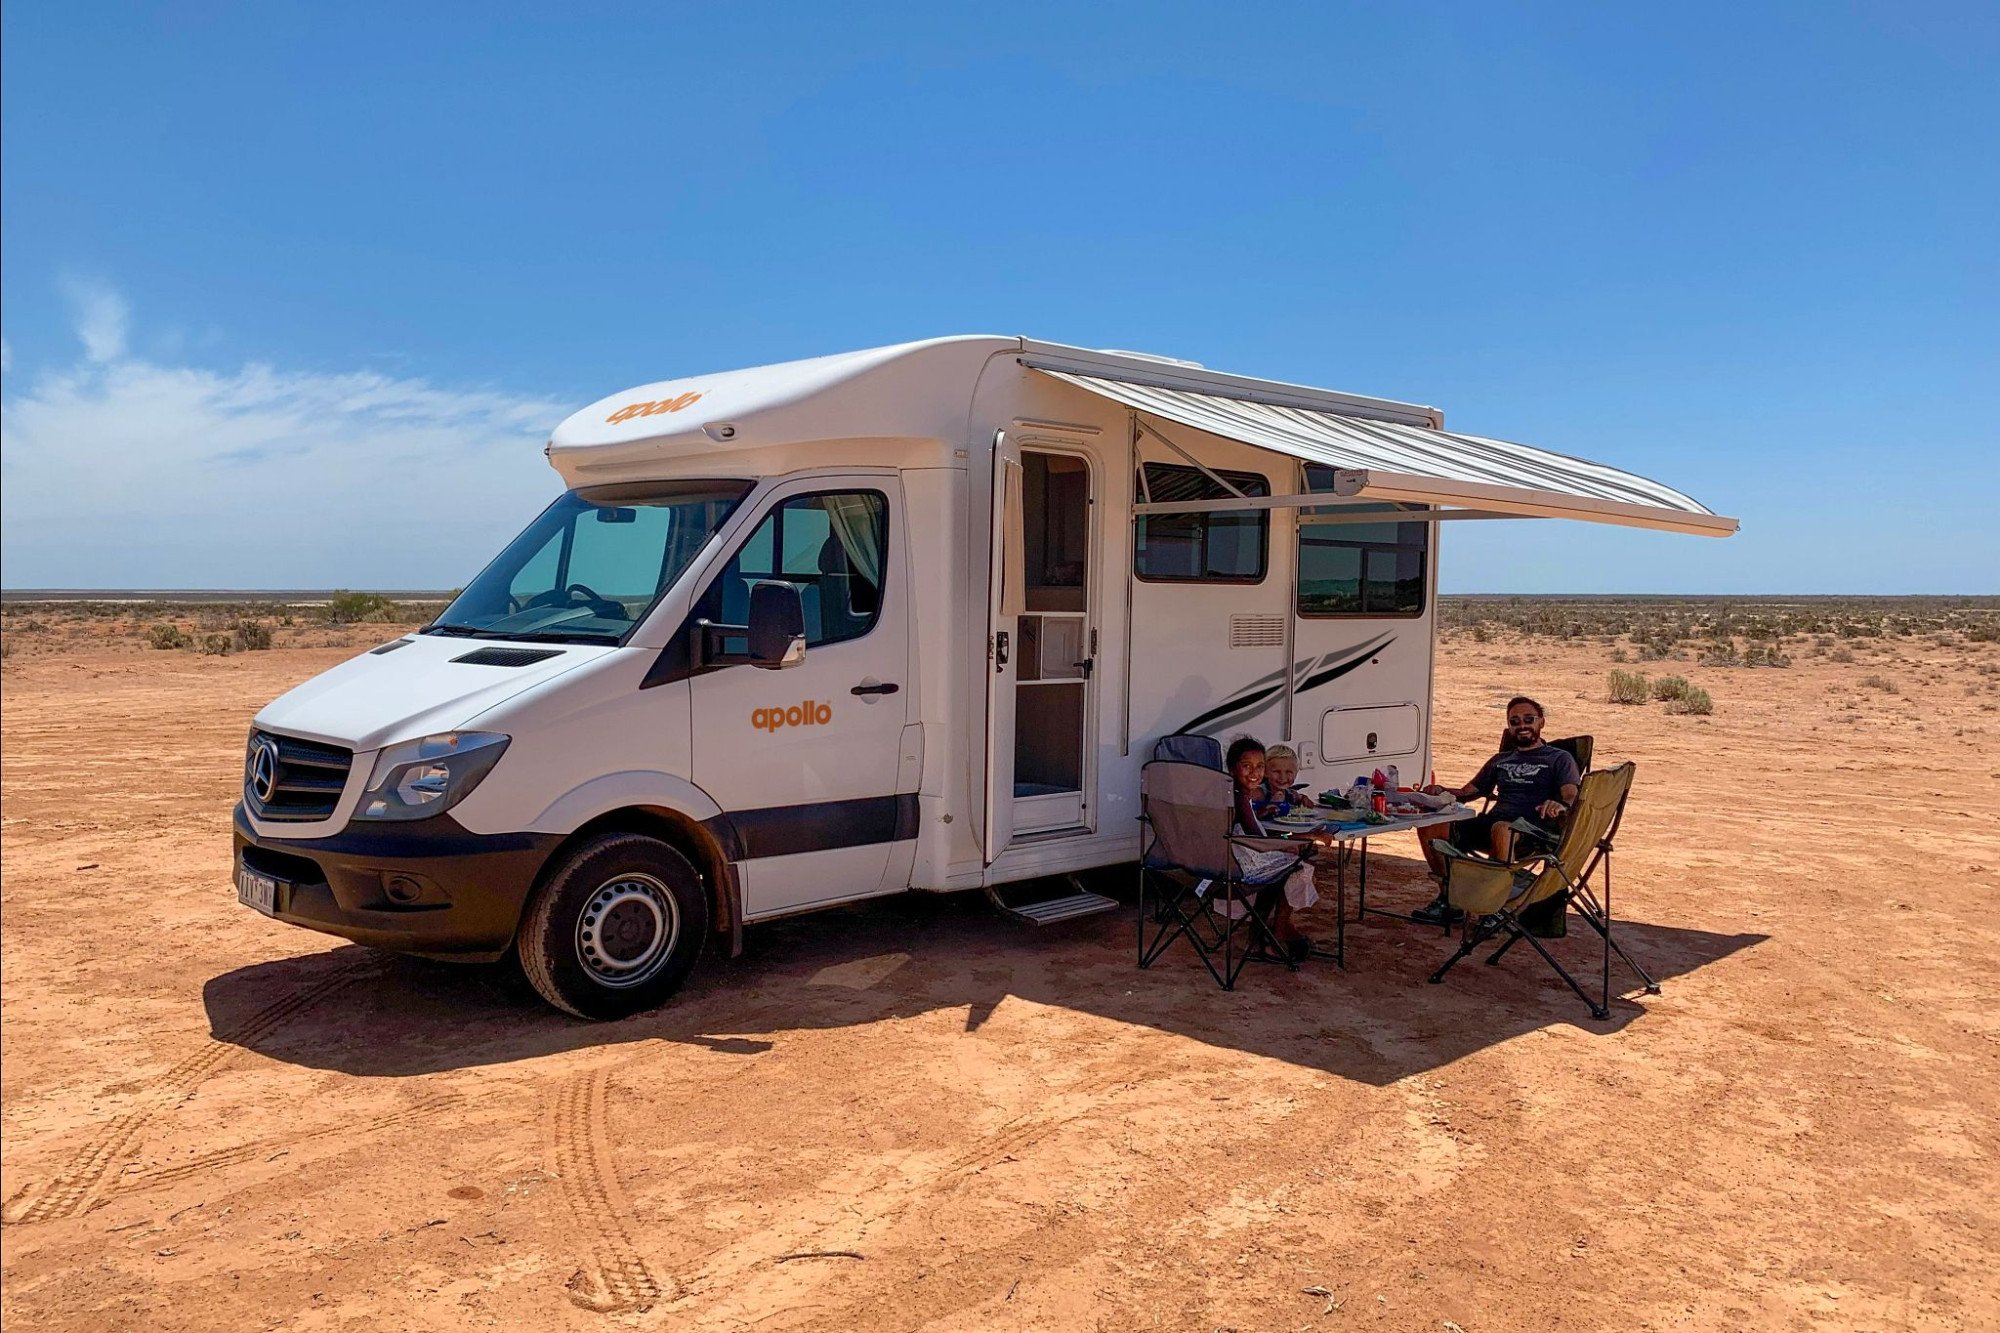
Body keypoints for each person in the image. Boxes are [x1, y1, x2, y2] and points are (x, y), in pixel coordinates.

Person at [1411, 696, 1581, 926]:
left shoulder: (1559, 758)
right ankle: (1449, 899)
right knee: (1429, 825)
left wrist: (1559, 804)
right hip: (1492, 823)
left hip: (1532, 830)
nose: (1522, 725)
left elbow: (1571, 794)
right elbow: (1467, 792)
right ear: (1509, 726)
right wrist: (1440, 790)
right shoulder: (1501, 759)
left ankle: (1496, 908)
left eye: (1528, 719)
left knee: (1502, 829)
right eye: (1514, 721)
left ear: (1541, 722)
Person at [1225, 737, 1319, 960]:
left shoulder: (1238, 795)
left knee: (1287, 866)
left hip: (1232, 858)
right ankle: (1268, 933)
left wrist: (1265, 817)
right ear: (1232, 768)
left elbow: (1255, 829)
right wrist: (1298, 838)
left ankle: (1266, 933)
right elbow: (1259, 839)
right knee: (1295, 866)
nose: (1254, 773)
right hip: (1242, 862)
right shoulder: (1241, 798)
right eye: (1246, 766)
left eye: (1259, 766)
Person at [1260, 744, 1304, 817]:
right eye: (1277, 771)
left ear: (1296, 773)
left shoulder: (1292, 795)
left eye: (1288, 772)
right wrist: (1272, 804)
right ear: (1265, 772)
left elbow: (1302, 801)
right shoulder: (1259, 793)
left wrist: (1303, 800)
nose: (1282, 777)